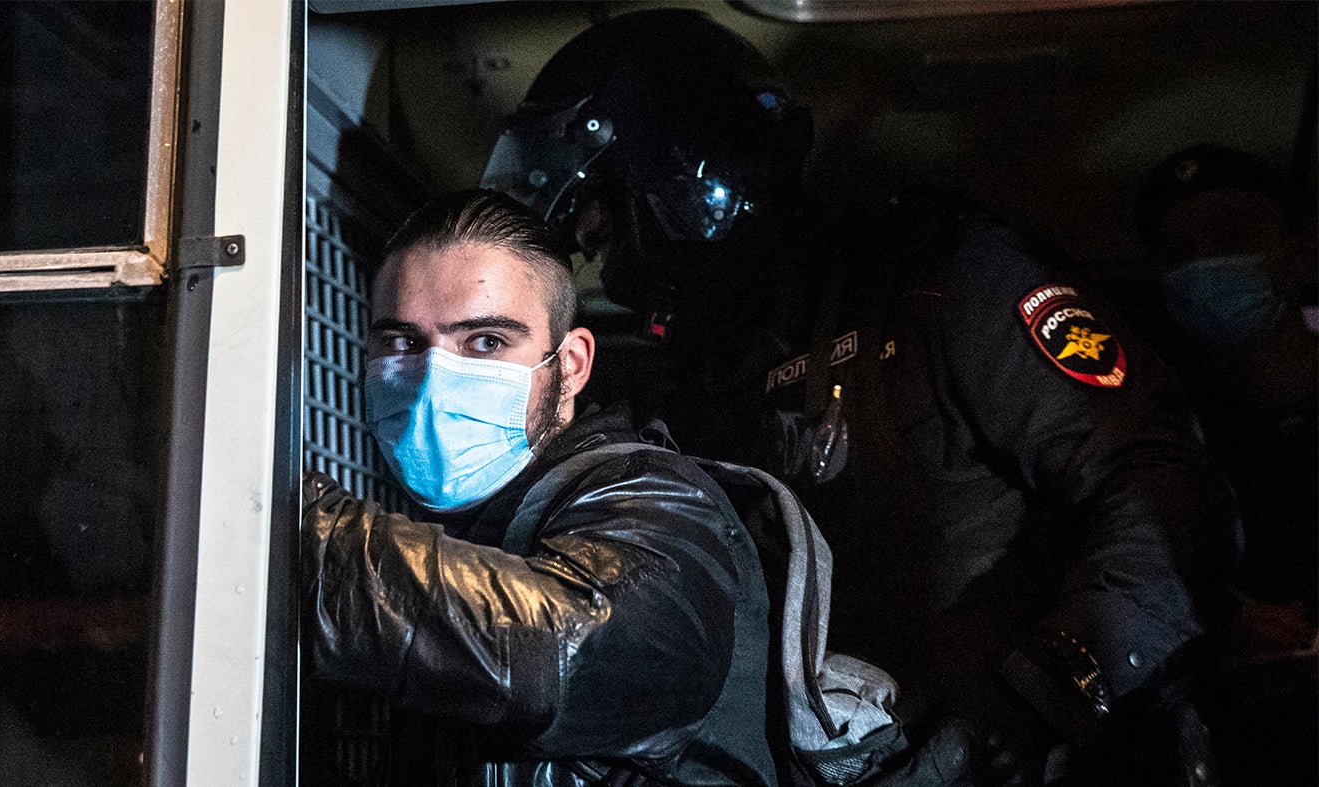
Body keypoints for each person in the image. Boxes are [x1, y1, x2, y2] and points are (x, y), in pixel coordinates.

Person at [483, 10, 1239, 784]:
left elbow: (1163, 490)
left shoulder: (942, 282)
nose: (606, 273)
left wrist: (1043, 693)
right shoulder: (690, 393)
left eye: (604, 230)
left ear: (682, 183)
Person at [301, 189, 778, 786]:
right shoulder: (438, 537)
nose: (431, 379)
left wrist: (296, 538)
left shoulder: (663, 503)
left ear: (571, 365)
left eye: (486, 343)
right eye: (402, 343)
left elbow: (563, 649)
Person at [1136, 144, 1318, 616]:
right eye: (1177, 254)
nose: (1203, 266)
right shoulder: (1162, 430)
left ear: (1300, 251)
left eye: (1233, 236)